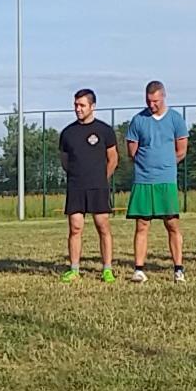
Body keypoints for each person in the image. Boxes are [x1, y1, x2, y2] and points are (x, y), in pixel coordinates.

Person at [124, 81, 190, 283]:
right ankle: (139, 270)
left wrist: (165, 165)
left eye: (155, 101)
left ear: (163, 97)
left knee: (172, 224)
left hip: (166, 181)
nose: (152, 105)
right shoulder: (138, 120)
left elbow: (181, 151)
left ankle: (178, 269)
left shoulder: (176, 119)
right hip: (143, 180)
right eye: (148, 101)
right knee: (142, 224)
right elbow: (132, 152)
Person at [58, 89, 119, 283]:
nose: (78, 109)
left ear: (92, 106)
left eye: (82, 105)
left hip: (98, 187)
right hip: (76, 187)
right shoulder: (67, 133)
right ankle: (74, 269)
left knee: (103, 226)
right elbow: (64, 161)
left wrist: (101, 179)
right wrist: (77, 176)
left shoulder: (105, 130)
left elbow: (113, 159)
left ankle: (107, 269)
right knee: (75, 228)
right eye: (76, 105)